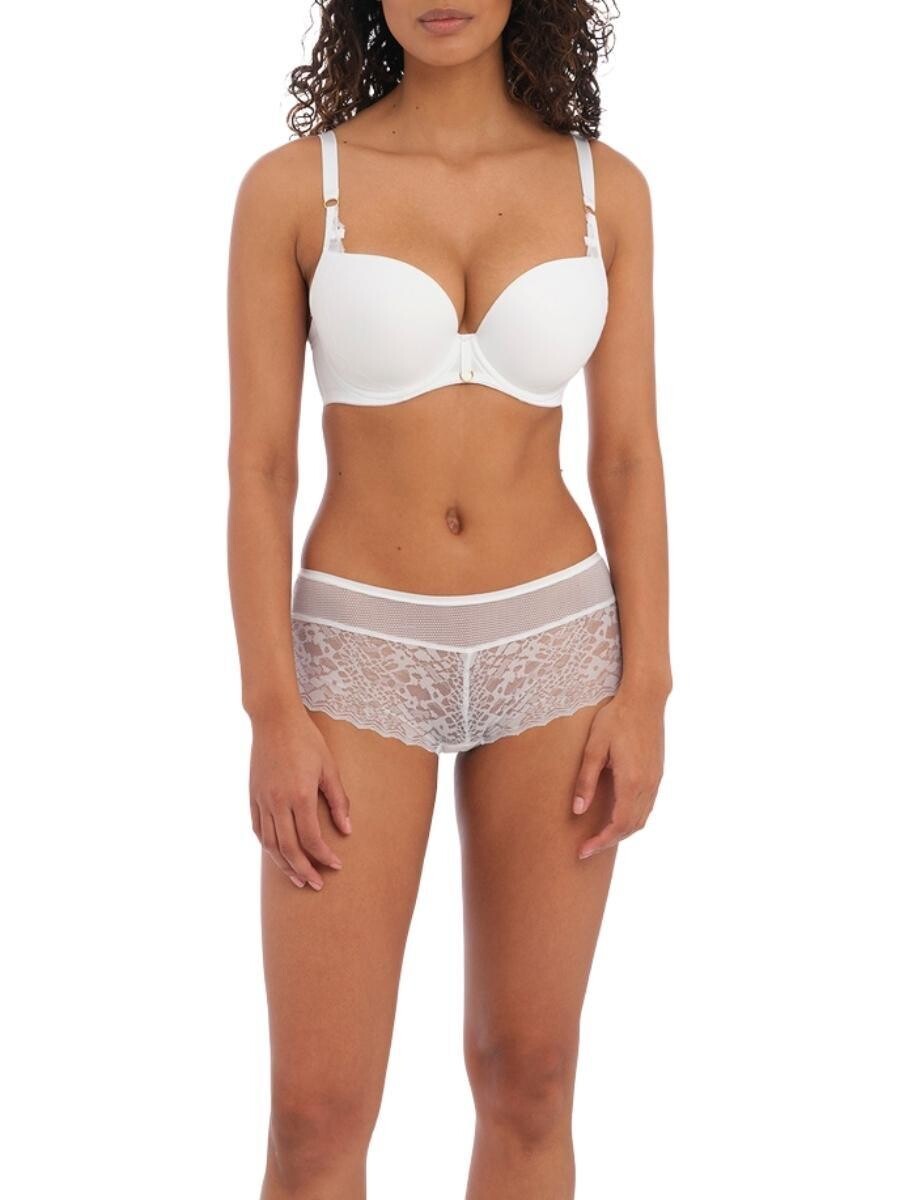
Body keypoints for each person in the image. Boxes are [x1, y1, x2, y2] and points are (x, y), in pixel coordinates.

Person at [226, 2, 671, 1196]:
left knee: (530, 1075)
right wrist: (272, 709)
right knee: (316, 1114)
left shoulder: (607, 193)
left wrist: (647, 690)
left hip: (555, 646)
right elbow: (260, 469)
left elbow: (628, 457)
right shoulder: (294, 189)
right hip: (358, 654)